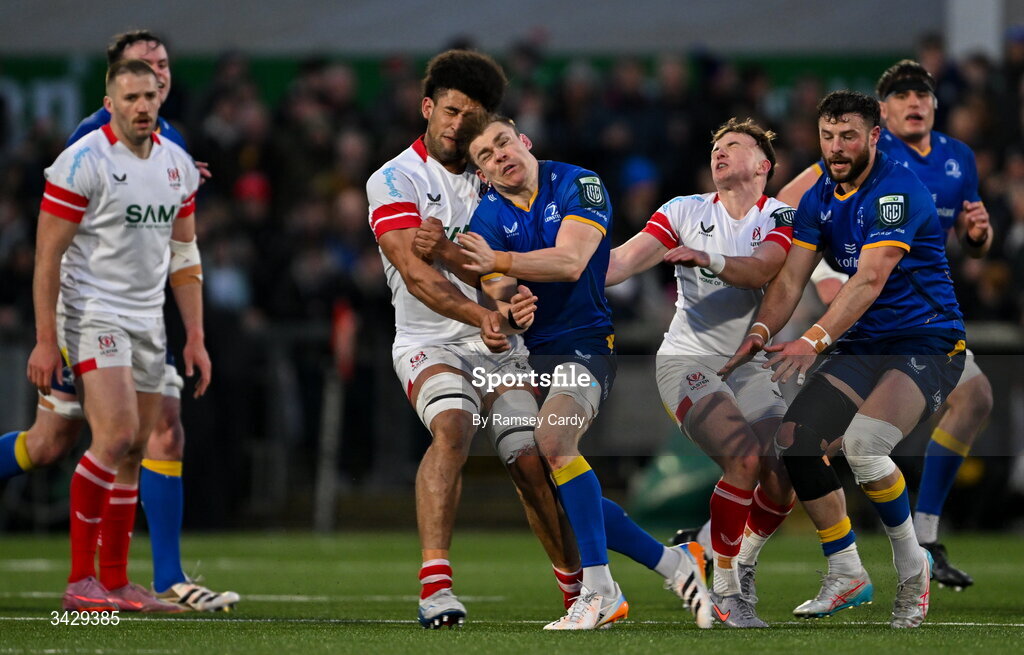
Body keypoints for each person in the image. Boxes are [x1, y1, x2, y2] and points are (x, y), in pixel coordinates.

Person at [0, 29, 237, 612]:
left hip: (146, 320)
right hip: (89, 311)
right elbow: (48, 253)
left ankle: (126, 580)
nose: (146, 94)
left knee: (133, 439)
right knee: (99, 438)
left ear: (163, 90)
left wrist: (197, 336)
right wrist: (46, 339)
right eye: (134, 86)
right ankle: (89, 582)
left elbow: (185, 255)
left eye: (156, 78)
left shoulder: (176, 157)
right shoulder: (85, 152)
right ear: (112, 94)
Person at [722, 90, 966, 629]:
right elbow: (790, 278)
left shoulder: (896, 189)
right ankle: (846, 570)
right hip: (862, 345)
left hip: (926, 341)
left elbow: (869, 280)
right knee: (795, 441)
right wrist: (760, 332)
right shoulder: (818, 198)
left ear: (875, 136)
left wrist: (810, 341)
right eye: (828, 136)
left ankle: (912, 570)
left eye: (849, 135)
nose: (837, 146)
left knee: (864, 448)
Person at [458, 115, 711, 631]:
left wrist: (502, 263)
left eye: (503, 142)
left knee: (553, 441)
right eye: (484, 155)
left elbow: (573, 261)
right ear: (481, 173)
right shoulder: (482, 219)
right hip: (529, 357)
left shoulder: (579, 182)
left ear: (524, 140)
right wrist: (511, 306)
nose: (499, 155)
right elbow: (497, 287)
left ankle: (600, 590)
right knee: (558, 485)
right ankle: (673, 563)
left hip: (586, 346)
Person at [366, 50, 581, 629]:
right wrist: (479, 310)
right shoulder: (394, 179)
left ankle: (578, 592)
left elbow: (497, 267)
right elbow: (416, 273)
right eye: (452, 111)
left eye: (473, 115)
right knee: (453, 427)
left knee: (530, 459)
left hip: (497, 343)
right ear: (428, 107)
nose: (460, 125)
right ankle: (436, 586)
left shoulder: (493, 177)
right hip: (427, 341)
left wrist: (511, 300)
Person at [778, 61, 992, 590]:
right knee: (808, 442)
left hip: (916, 317)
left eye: (922, 93)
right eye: (900, 95)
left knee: (973, 399)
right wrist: (827, 274)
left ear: (935, 105)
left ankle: (922, 540)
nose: (913, 102)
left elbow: (970, 242)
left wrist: (977, 236)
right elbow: (789, 208)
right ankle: (725, 535)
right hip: (857, 316)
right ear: (884, 115)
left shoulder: (956, 157)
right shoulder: (859, 152)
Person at [604, 118, 796, 628]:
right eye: (715, 146)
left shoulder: (781, 216)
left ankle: (725, 555)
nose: (720, 152)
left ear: (763, 165)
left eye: (734, 145)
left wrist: (707, 256)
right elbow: (621, 262)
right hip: (686, 362)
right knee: (742, 458)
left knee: (781, 479)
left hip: (749, 366)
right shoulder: (683, 210)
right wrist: (558, 270)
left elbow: (760, 269)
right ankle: (727, 592)